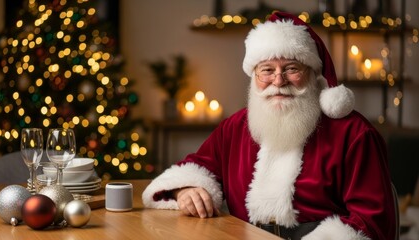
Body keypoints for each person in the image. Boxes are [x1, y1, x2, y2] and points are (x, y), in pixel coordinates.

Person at [142, 12, 396, 240]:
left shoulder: (354, 134)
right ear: (254, 76)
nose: (278, 80)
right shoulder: (236, 126)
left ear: (312, 73)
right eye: (266, 70)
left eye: (291, 68)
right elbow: (197, 167)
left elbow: (371, 222)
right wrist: (186, 189)